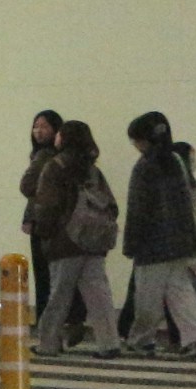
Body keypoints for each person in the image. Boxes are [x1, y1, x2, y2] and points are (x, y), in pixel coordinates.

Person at [122, 112, 196, 365]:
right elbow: (190, 201)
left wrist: (131, 243)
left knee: (147, 297)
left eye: (135, 141)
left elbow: (137, 209)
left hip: (152, 245)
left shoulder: (143, 167)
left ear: (143, 140)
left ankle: (141, 340)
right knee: (181, 293)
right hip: (181, 242)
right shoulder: (176, 161)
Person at [31, 119, 122, 357]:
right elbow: (112, 205)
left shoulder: (55, 166)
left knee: (59, 294)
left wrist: (45, 234)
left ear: (64, 138)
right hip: (94, 241)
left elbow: (46, 206)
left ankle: (48, 343)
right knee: (99, 294)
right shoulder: (93, 170)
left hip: (65, 241)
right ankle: (109, 343)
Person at [18, 108, 85, 351]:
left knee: (48, 280)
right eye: (36, 125)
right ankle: (74, 321)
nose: (38, 130)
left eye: (44, 126)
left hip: (46, 225)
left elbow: (27, 187)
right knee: (72, 279)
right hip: (66, 226)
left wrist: (32, 216)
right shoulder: (74, 159)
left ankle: (50, 336)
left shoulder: (45, 157)